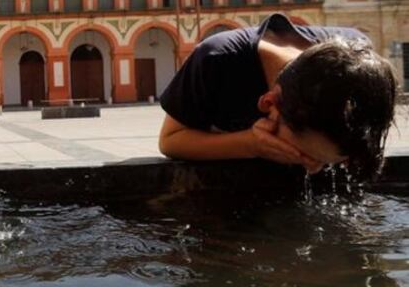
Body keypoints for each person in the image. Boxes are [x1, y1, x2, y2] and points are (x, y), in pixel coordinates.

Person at [158, 13, 399, 179]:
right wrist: (251, 144)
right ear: (269, 103)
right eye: (304, 155)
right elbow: (170, 140)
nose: (313, 168)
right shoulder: (217, 59)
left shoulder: (359, 62)